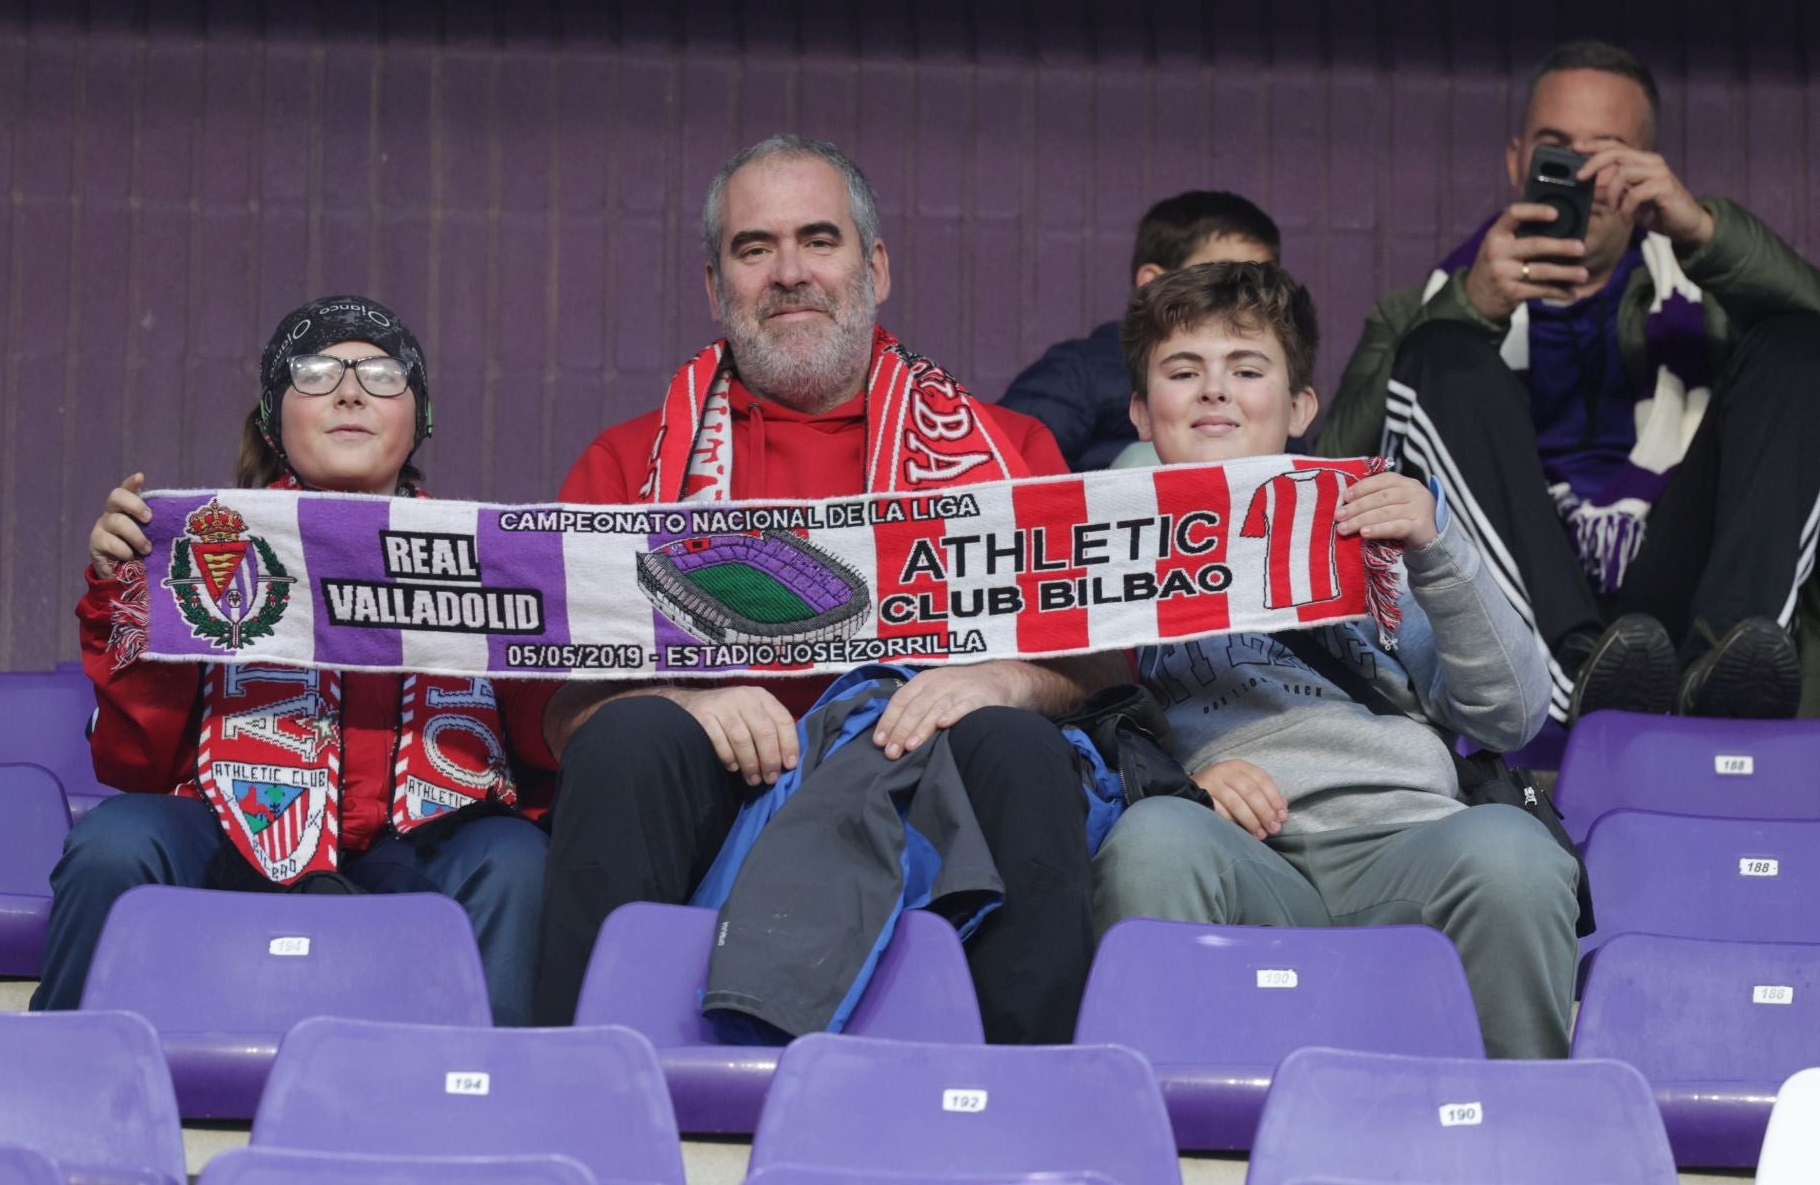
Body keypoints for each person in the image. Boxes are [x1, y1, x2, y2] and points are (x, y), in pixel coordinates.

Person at [533, 134, 1123, 1043]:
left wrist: (1004, 680)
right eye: (753, 248)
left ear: (875, 267)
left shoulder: (1012, 460)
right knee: (629, 736)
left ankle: (1023, 1108)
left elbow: (1105, 670)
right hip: (722, 781)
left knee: (1015, 739)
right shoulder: (627, 465)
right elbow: (555, 717)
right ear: (714, 285)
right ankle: (586, 1092)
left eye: (819, 239)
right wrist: (680, 699)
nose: (789, 272)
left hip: (928, 771)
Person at [1095, 261, 1577, 1059]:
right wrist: (1172, 785)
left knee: (1512, 855)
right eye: (1185, 372)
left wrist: (1436, 550)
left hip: (1409, 840)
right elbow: (1075, 721)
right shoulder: (1100, 544)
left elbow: (1513, 716)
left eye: (1247, 370)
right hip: (1236, 847)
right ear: (1144, 413)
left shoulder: (1379, 518)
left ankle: (1520, 1134)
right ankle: (1158, 1139)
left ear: (1300, 407)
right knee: (1152, 839)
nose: (1215, 391)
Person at [34, 296, 553, 1026]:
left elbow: (540, 751)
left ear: (420, 420)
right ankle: (61, 1076)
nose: (348, 390)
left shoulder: (485, 560)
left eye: (381, 373)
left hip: (423, 850)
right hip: (235, 837)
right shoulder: (204, 553)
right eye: (314, 374)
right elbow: (133, 763)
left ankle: (493, 1101)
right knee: (114, 842)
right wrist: (128, 592)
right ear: (276, 421)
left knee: (517, 857)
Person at [1317, 39, 1820, 721]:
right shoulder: (1421, 311)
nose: (1581, 175)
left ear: (1649, 170)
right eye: (1559, 150)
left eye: (1607, 154)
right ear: (1518, 160)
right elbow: (1326, 475)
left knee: (1801, 342)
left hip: (1679, 580)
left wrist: (1705, 233)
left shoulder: (1713, 303)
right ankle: (1575, 675)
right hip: (1520, 611)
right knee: (1441, 349)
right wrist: (1469, 307)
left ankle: (1729, 662)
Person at [1000, 191, 1281, 470]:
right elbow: (1009, 459)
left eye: (1259, 286)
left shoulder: (1272, 376)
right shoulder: (1084, 368)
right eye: (1221, 284)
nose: (1242, 300)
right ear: (1152, 285)